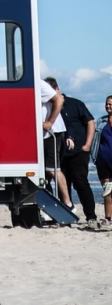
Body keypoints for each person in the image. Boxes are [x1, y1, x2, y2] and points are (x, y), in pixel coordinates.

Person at [55, 83, 98, 221]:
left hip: (79, 151)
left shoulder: (75, 104)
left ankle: (91, 216)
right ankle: (67, 216)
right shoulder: (49, 106)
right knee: (63, 185)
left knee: (80, 182)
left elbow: (90, 122)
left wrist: (88, 145)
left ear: (57, 89)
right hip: (60, 152)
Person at [40, 76, 69, 205]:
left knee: (53, 169)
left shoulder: (40, 84)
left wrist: (49, 122)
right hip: (43, 134)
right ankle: (48, 202)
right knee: (44, 171)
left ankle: (67, 203)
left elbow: (59, 99)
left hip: (52, 132)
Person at [96, 96, 112, 222]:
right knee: (107, 190)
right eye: (107, 104)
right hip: (103, 161)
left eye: (110, 104)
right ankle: (107, 218)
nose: (108, 106)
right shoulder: (101, 121)